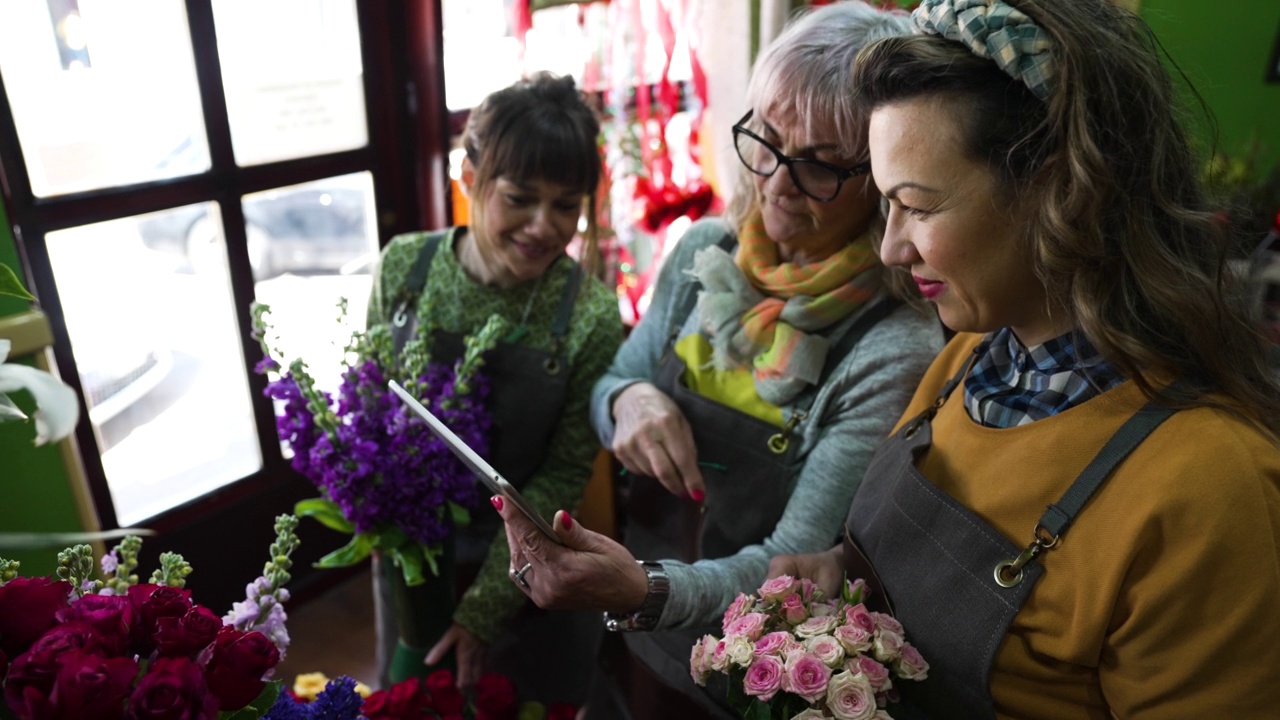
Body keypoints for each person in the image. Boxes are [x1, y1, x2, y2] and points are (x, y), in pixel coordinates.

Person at [757, 0, 1280, 716]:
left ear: (1060, 188)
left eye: (919, 206)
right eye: (885, 204)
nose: (891, 247)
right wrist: (843, 574)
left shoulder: (1213, 485)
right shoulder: (965, 364)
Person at [494, 3, 945, 717]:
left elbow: (791, 566)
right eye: (764, 139)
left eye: (821, 165)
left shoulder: (893, 347)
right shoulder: (705, 250)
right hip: (633, 632)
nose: (775, 183)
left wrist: (645, 590)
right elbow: (614, 382)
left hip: (756, 671)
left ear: (885, 179)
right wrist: (629, 403)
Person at [364, 72, 624, 704]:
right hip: (412, 561)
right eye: (520, 198)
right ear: (470, 178)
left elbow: (563, 471)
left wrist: (481, 611)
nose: (543, 227)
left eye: (566, 206)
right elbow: (370, 409)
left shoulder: (588, 314)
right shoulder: (405, 266)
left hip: (531, 576)